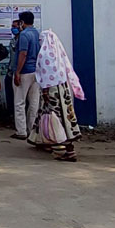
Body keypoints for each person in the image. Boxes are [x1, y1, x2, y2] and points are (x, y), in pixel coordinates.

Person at [29, 29, 84, 162]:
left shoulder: (45, 54)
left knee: (54, 120)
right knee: (65, 119)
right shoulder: (58, 54)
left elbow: (46, 76)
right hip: (63, 90)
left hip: (52, 92)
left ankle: (61, 149)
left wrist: (46, 92)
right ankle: (64, 147)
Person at [12, 10, 40, 140]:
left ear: (22, 22)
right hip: (35, 71)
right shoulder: (36, 33)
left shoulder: (24, 35)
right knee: (34, 102)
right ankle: (32, 129)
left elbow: (23, 54)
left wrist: (17, 72)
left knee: (19, 102)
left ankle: (21, 131)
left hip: (24, 72)